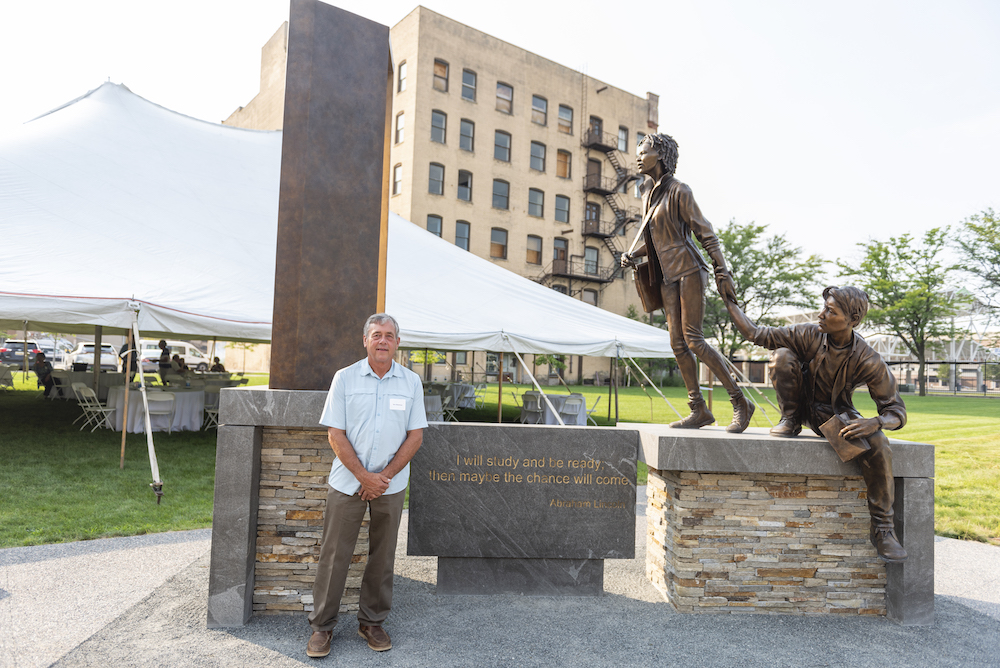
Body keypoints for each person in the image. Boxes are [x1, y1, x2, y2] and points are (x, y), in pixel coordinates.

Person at [722, 285, 908, 562]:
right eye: (823, 308)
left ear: (852, 319)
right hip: (800, 404)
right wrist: (729, 302)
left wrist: (876, 422)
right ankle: (790, 418)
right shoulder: (809, 333)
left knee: (879, 444)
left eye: (830, 311)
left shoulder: (868, 358)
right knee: (781, 356)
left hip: (833, 416)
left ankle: (883, 529)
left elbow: (896, 410)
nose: (821, 315)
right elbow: (756, 334)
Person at [306, 313, 426, 658]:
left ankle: (372, 622)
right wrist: (363, 476)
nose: (383, 341)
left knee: (383, 556)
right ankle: (322, 627)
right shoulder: (344, 379)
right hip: (347, 482)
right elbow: (335, 433)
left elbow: (415, 436)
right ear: (365, 340)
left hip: (391, 484)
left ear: (397, 343)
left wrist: (382, 477)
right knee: (334, 556)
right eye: (376, 335)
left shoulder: (411, 382)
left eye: (389, 335)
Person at [620, 133, 753, 432]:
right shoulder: (647, 192)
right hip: (665, 274)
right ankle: (699, 410)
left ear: (661, 156)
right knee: (676, 343)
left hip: (689, 269)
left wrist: (723, 272)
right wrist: (633, 255)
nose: (639, 157)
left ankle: (740, 402)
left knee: (693, 339)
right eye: (639, 153)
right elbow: (657, 239)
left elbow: (705, 233)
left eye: (644, 152)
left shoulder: (680, 190)